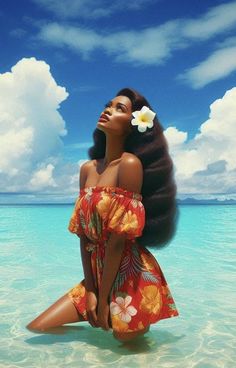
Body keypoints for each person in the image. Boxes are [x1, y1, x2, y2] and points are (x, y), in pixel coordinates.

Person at [26, 87, 179, 342]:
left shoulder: (130, 165)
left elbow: (119, 239)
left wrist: (107, 296)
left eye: (120, 108)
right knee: (39, 328)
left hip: (130, 275)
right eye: (109, 104)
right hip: (97, 271)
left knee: (127, 347)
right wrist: (91, 291)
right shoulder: (87, 169)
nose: (108, 109)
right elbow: (83, 234)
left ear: (132, 126)